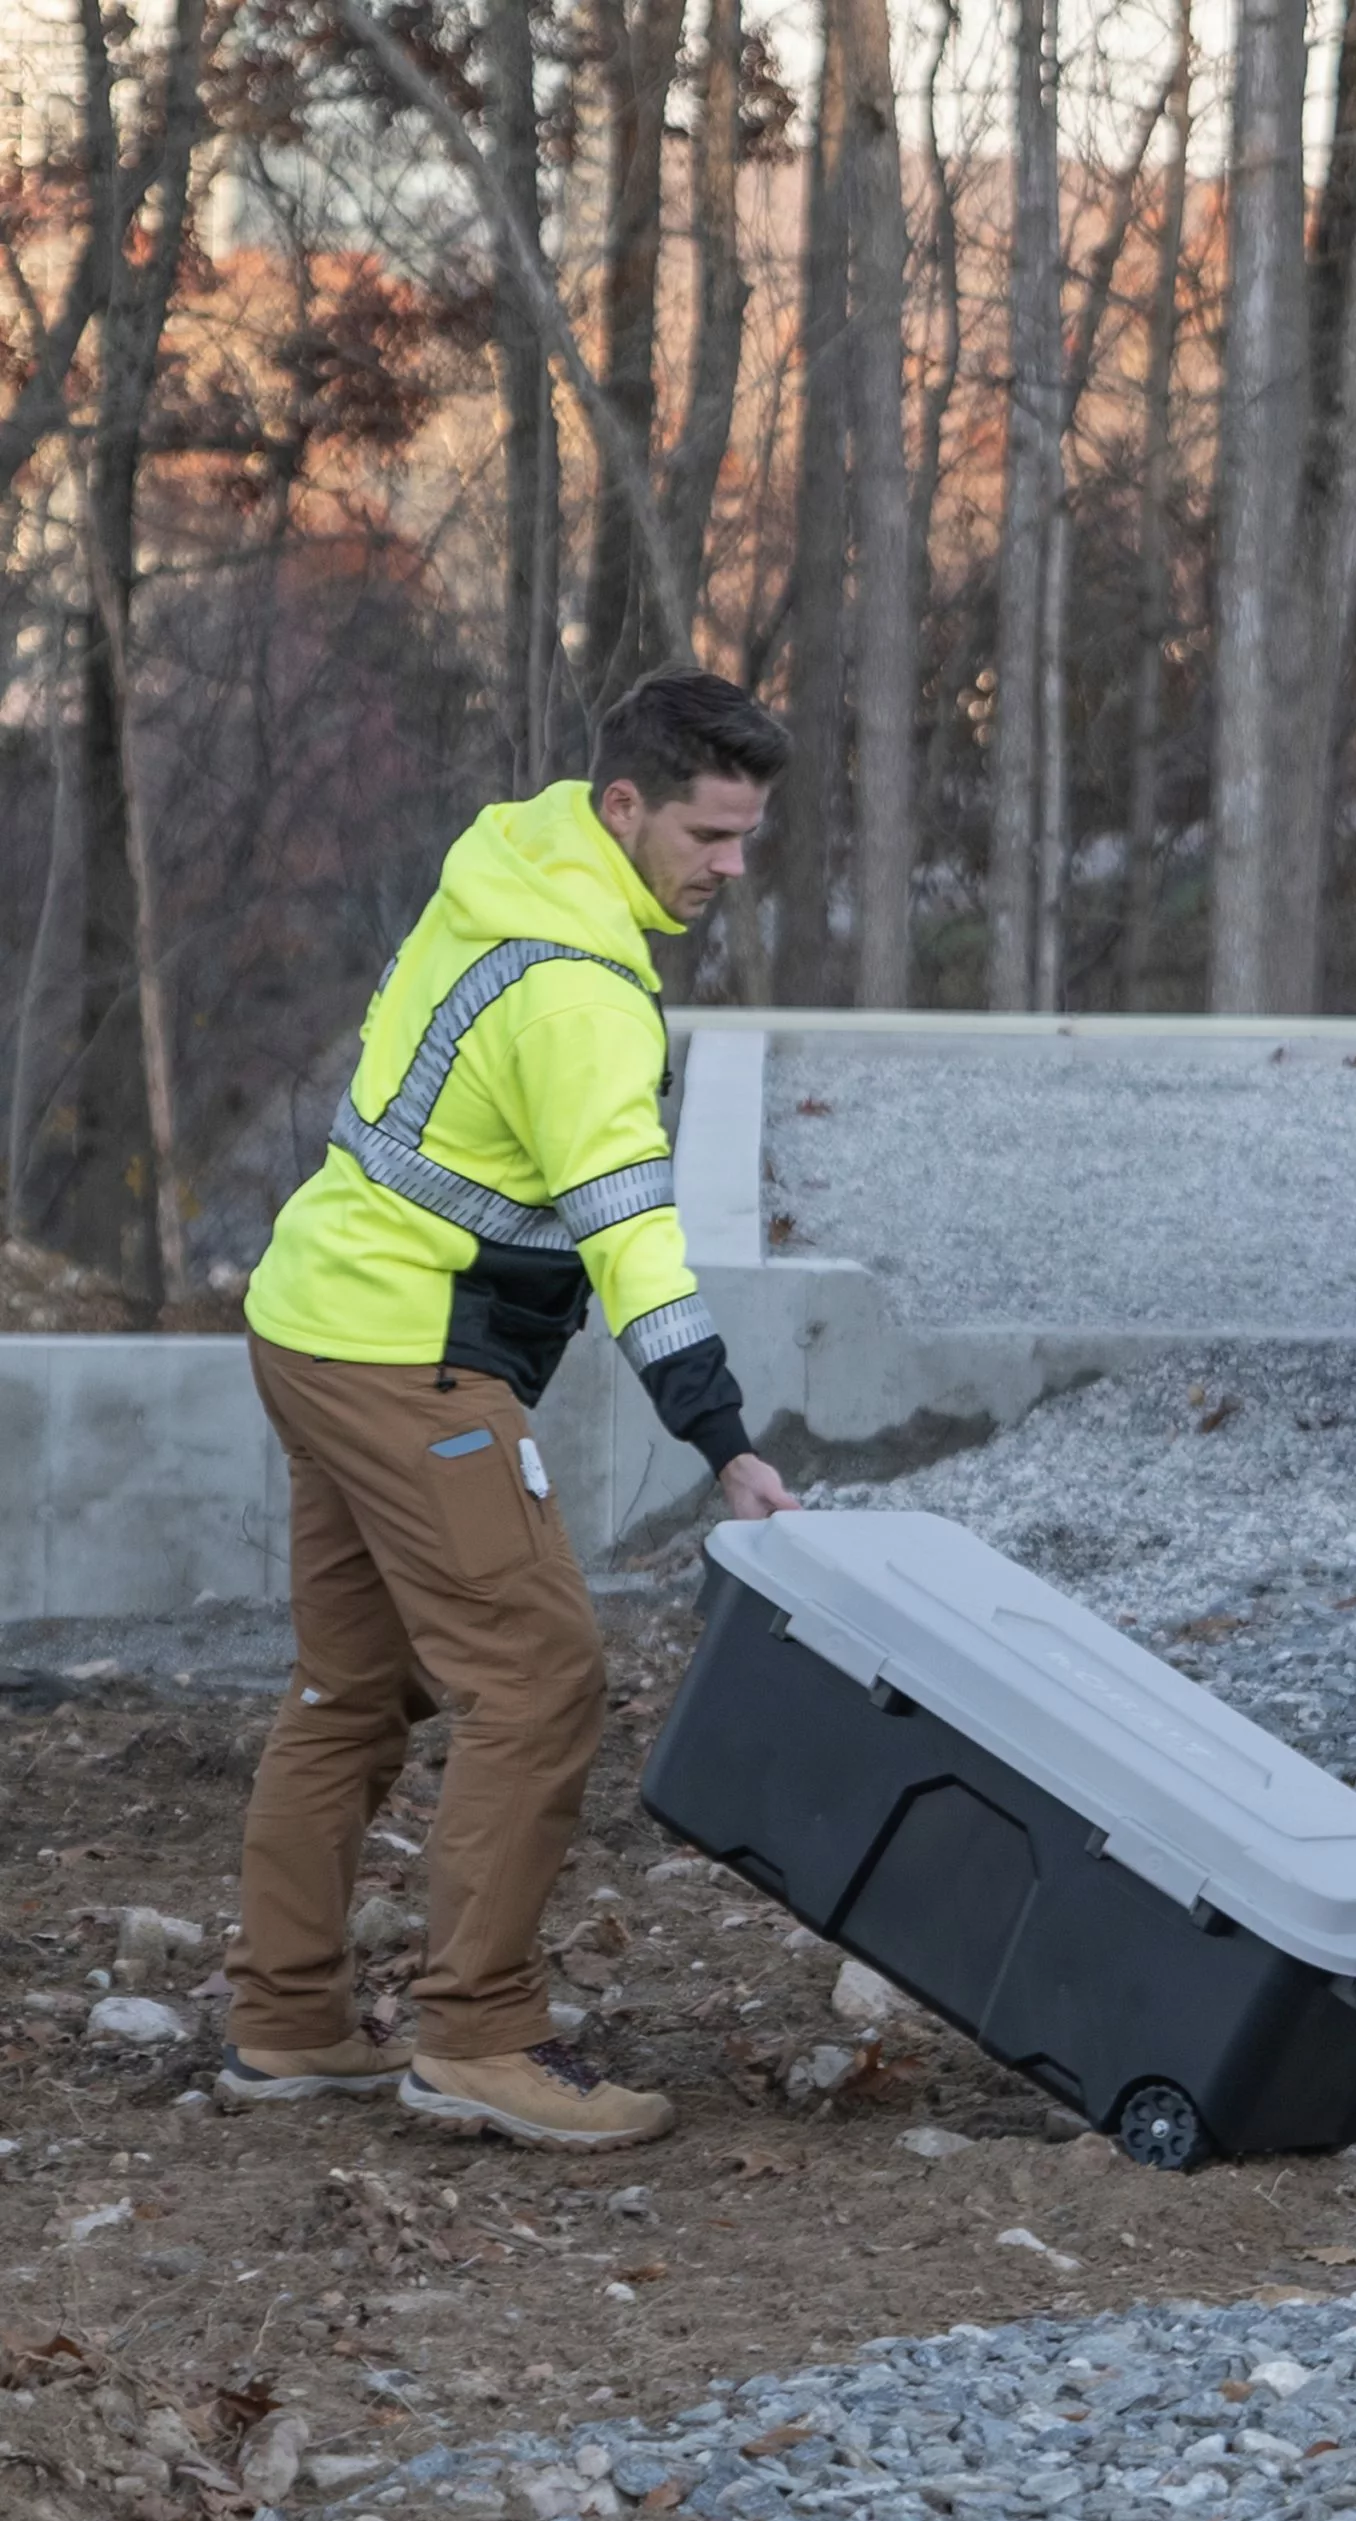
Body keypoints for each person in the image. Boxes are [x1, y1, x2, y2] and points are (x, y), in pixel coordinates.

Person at [217, 668, 799, 2152]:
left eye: (745, 838)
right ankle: (476, 2035)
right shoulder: (581, 993)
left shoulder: (509, 870)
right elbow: (633, 1238)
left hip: (315, 1316)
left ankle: (284, 2021)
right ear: (625, 806)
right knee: (540, 1674)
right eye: (711, 835)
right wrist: (724, 1438)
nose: (731, 868)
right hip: (409, 1359)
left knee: (355, 1687)